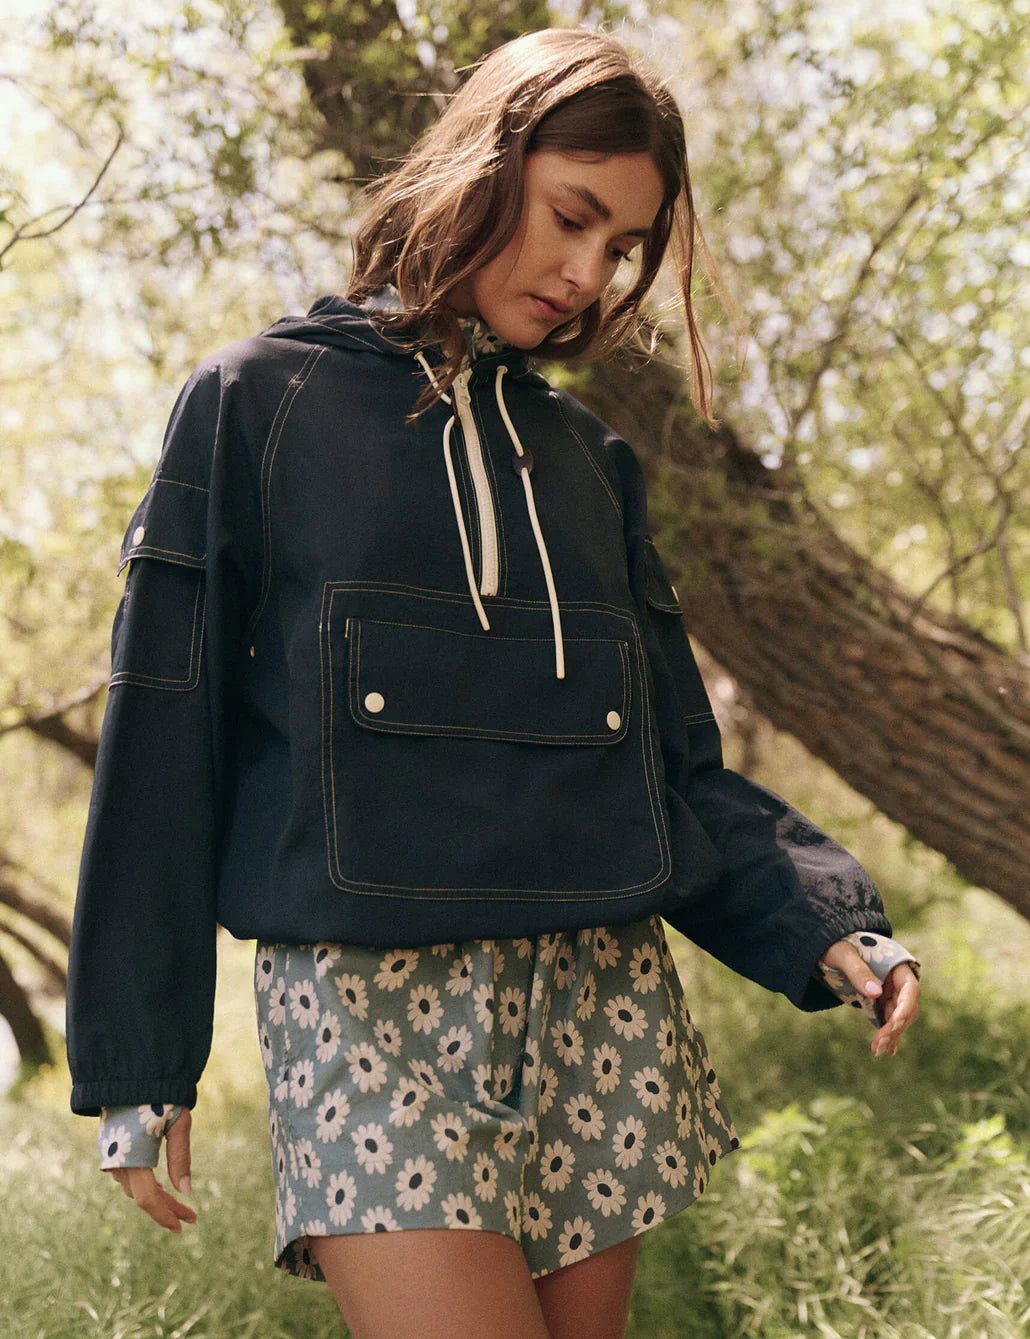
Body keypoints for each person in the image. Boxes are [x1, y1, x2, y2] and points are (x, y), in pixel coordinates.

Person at [68, 27, 921, 1339]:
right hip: (368, 1012)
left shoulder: (590, 464)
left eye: (625, 248)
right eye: (574, 216)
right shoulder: (256, 404)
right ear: (486, 163)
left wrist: (826, 923)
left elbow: (664, 770)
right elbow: (162, 735)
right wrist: (139, 1051)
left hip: (599, 996)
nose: (589, 273)